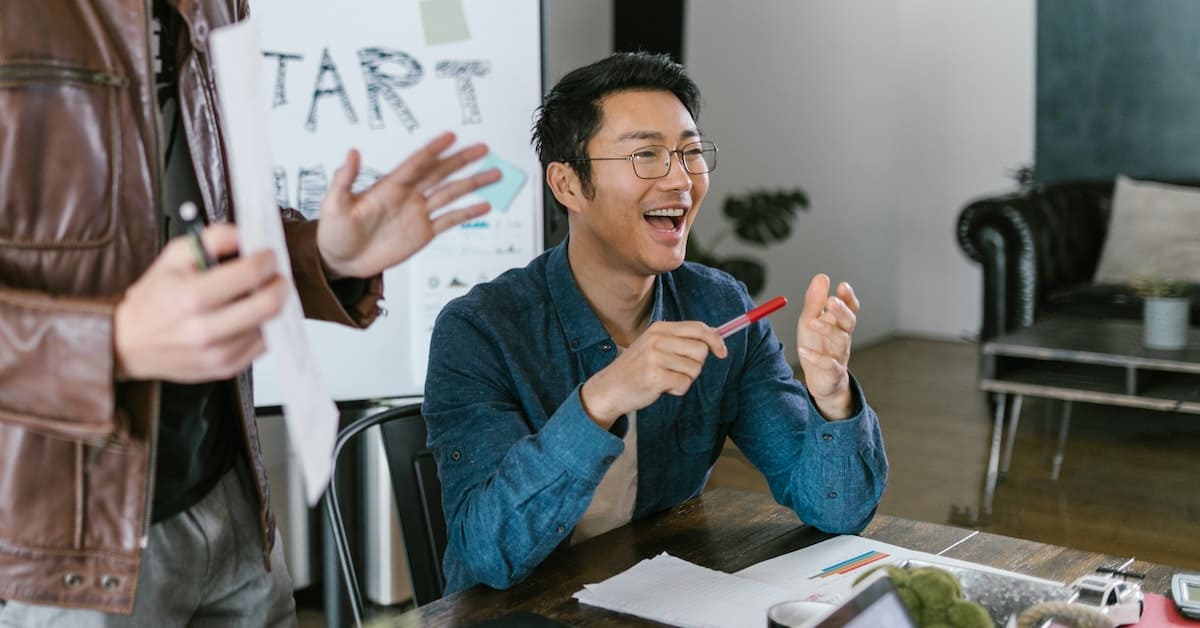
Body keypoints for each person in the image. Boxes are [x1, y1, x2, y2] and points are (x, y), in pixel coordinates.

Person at [0, 2, 498, 626]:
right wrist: (111, 342)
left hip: (230, 491)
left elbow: (205, 229)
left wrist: (324, 254)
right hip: (67, 541)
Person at [423, 51, 889, 595]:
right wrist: (602, 399)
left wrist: (832, 396)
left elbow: (837, 512)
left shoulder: (719, 306)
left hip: (657, 596)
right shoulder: (480, 330)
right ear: (567, 184)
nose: (680, 181)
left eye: (690, 153)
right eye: (646, 154)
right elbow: (487, 555)